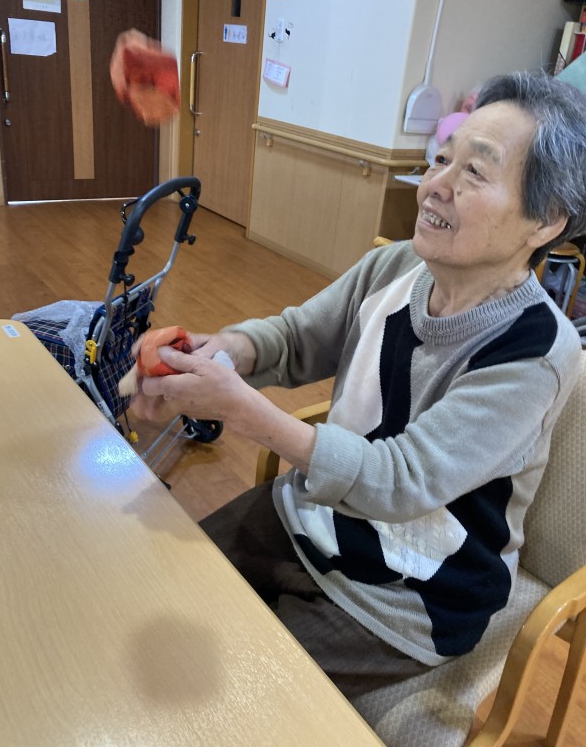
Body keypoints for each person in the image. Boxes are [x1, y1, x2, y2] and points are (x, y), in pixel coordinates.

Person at [130, 71, 586, 726]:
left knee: (219, 699)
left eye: (474, 172)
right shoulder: (396, 266)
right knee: (155, 597)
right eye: (442, 158)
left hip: (413, 594)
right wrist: (220, 351)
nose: (436, 185)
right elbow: (297, 337)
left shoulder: (535, 353)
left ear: (546, 221)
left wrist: (238, 408)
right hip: (312, 518)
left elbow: (399, 480)